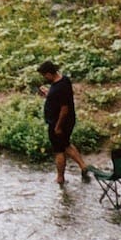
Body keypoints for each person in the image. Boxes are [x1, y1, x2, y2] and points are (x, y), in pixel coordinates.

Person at [39, 61, 85, 190]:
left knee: (59, 150)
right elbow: (60, 100)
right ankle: (83, 166)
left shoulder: (58, 88)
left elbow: (64, 109)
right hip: (68, 121)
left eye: (44, 76)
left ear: (49, 73)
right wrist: (49, 94)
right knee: (66, 144)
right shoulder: (64, 80)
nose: (44, 78)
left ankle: (60, 177)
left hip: (59, 122)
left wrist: (58, 126)